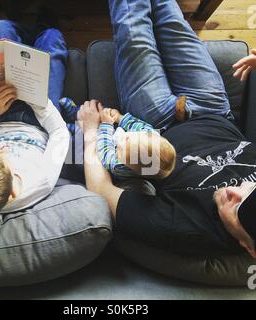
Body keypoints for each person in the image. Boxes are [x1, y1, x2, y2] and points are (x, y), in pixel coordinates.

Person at [77, 0, 256, 258]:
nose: (234, 190)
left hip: (154, 123)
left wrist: (92, 132)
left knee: (133, 28)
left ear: (250, 248)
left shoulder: (183, 229)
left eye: (237, 209)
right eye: (250, 189)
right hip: (214, 107)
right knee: (171, 18)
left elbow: (101, 190)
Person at [0, 17, 70, 225]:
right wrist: (38, 102)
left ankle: (25, 32)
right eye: (3, 155)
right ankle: (41, 26)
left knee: (0, 28)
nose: (4, 148)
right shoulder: (40, 183)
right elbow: (60, 134)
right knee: (52, 37)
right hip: (39, 120)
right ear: (13, 193)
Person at [60, 97, 176, 180]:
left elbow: (105, 150)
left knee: (78, 151)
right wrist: (118, 117)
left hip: (103, 147)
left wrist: (106, 124)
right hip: (111, 131)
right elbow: (133, 124)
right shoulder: (148, 133)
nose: (123, 138)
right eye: (128, 138)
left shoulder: (119, 166)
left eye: (121, 149)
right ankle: (75, 113)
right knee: (103, 110)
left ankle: (68, 129)